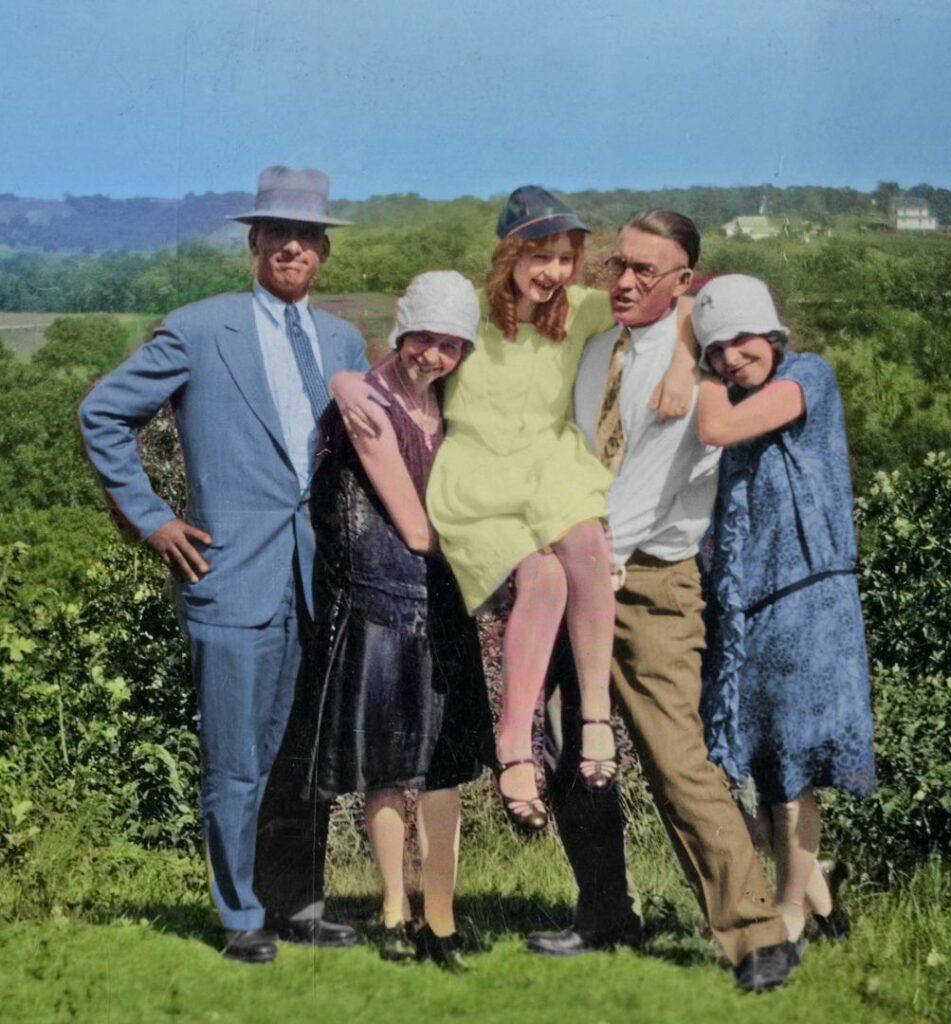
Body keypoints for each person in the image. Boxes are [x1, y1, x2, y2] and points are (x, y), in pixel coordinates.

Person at [79, 166, 369, 964]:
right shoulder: (201, 329)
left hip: (323, 584)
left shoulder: (344, 342)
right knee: (236, 760)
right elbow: (102, 413)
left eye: (306, 235)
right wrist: (153, 520)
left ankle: (301, 904)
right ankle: (241, 914)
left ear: (323, 251)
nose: (292, 247)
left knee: (306, 760)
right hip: (230, 578)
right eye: (277, 233)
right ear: (254, 243)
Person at [336, 186, 694, 833]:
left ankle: (593, 716)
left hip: (550, 468)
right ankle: (513, 744)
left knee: (587, 545)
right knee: (543, 576)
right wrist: (341, 380)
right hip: (478, 480)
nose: (553, 272)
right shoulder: (467, 313)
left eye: (565, 257)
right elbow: (397, 365)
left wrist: (685, 361)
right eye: (540, 256)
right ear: (510, 255)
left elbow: (687, 299)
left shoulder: (581, 310)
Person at [529, 212, 798, 993]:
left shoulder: (699, 371)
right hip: (580, 568)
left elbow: (646, 493)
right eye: (620, 264)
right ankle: (605, 915)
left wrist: (596, 572)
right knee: (567, 750)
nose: (624, 281)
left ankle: (755, 936)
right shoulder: (593, 355)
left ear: (686, 284)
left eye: (649, 272)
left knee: (677, 758)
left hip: (648, 580)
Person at [304, 271, 492, 971]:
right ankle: (392, 906)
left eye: (450, 345)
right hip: (383, 599)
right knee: (387, 767)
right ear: (401, 331)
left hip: (444, 600)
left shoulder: (456, 403)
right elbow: (415, 528)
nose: (433, 356)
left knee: (443, 769)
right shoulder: (369, 406)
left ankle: (438, 913)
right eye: (424, 339)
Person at [693, 273, 877, 946]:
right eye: (716, 350)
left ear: (770, 332)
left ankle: (791, 913)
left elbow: (716, 426)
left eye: (740, 342)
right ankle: (822, 903)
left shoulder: (809, 376)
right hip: (750, 607)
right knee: (765, 764)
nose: (731, 358)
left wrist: (695, 371)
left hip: (811, 594)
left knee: (793, 762)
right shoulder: (742, 390)